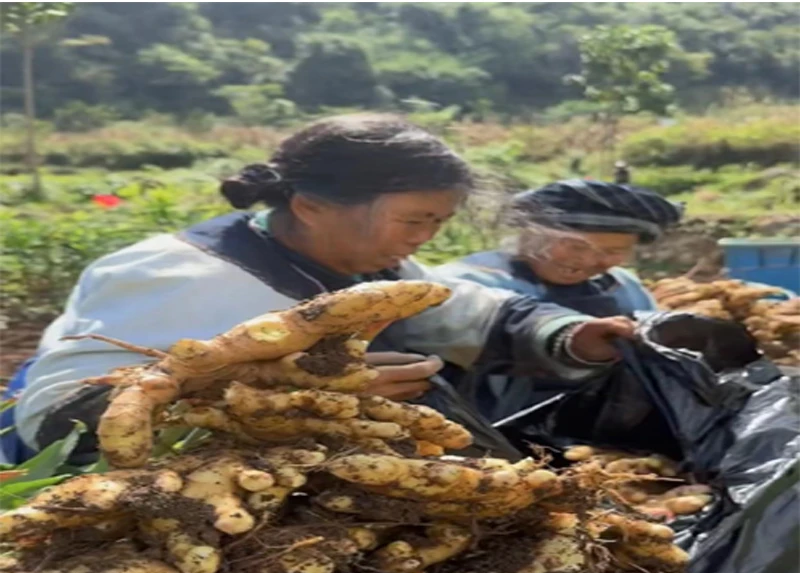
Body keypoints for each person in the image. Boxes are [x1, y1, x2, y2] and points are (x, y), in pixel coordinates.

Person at [6, 116, 634, 464]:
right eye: (414, 220)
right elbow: (60, 422)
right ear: (309, 206)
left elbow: (453, 306)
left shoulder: (364, 262)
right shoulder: (180, 277)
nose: (423, 240)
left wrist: (569, 333)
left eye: (437, 224)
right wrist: (294, 389)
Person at [436, 179, 682, 420]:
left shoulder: (621, 286)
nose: (588, 261)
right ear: (529, 233)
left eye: (612, 252)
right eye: (575, 247)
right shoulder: (466, 284)